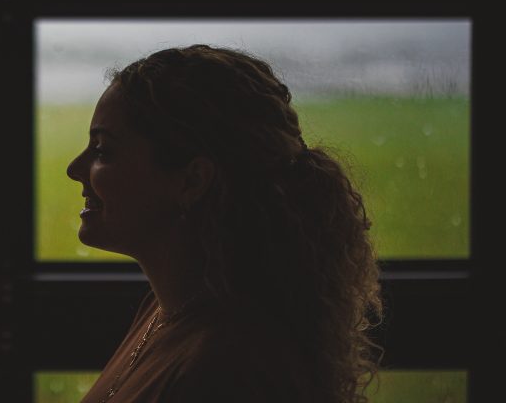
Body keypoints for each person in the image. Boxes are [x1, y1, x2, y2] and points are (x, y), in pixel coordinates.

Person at [67, 45, 382, 403]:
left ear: (192, 181)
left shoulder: (225, 367)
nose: (75, 169)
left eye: (103, 151)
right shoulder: (167, 311)